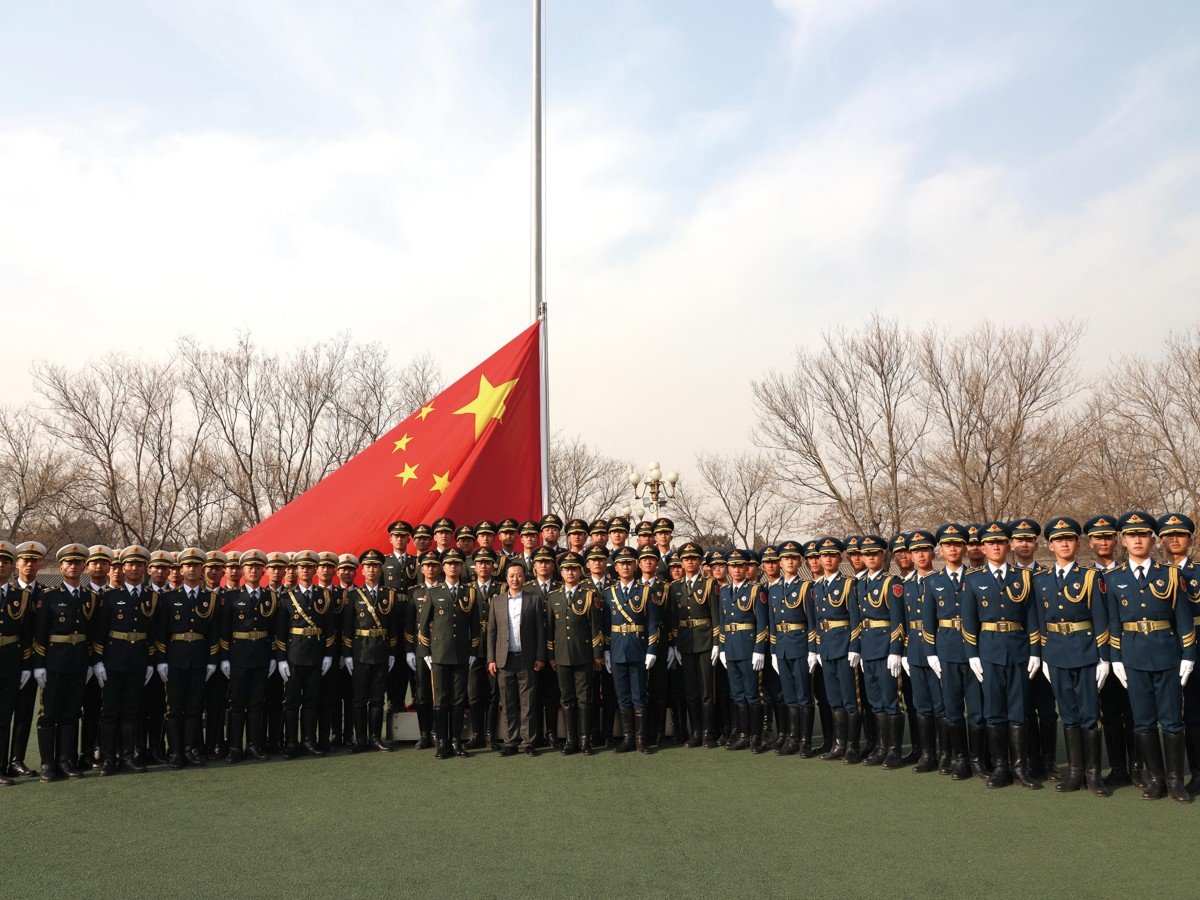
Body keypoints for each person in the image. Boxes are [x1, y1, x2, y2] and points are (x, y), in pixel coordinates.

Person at [1104, 511, 1195, 802]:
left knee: (1171, 721)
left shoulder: (1169, 574)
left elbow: (1183, 619)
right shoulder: (1113, 577)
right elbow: (1114, 623)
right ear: (1123, 540)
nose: (1138, 540)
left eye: (1143, 535)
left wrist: (1189, 654)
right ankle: (1156, 779)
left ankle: (1175, 780)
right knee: (1143, 722)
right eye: (1132, 535)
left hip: (1167, 654)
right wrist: (1116, 658)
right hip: (1133, 656)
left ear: (1153, 539)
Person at [1033, 517, 1110, 796]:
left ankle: (1093, 774)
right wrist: (1041, 655)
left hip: (1086, 651)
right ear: (1050, 545)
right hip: (1055, 653)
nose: (1064, 543)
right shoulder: (1040, 580)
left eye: (1069, 539)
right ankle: (1075, 772)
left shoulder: (1090, 577)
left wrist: (1104, 657)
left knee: (1090, 714)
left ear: (1077, 544)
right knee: (1067, 713)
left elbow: (1101, 618)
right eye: (1058, 540)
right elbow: (1040, 621)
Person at [962, 521, 1041, 790]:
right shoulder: (973, 580)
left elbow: (1032, 618)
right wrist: (972, 654)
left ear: (1008, 546)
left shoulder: (1024, 577)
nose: (996, 546)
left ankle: (1020, 767)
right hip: (989, 651)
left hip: (1018, 649)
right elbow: (968, 622)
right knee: (994, 711)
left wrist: (1035, 652)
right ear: (982, 548)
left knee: (1019, 711)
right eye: (990, 543)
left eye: (1000, 542)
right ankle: (1000, 767)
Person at [922, 523, 985, 781]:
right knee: (953, 708)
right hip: (947, 650)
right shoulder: (933, 581)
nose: (953, 549)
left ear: (964, 548)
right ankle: (961, 759)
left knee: (978, 709)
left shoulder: (977, 578)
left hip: (975, 652)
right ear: (941, 549)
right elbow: (928, 621)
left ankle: (979, 760)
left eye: (957, 544)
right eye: (948, 545)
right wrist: (931, 652)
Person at [32, 544, 98, 782]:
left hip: (78, 662)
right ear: (61, 567)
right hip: (54, 662)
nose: (73, 566)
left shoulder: (90, 597)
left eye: (78, 563)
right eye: (69, 563)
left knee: (71, 713)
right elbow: (39, 634)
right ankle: (47, 764)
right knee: (49, 714)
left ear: (83, 567)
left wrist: (92, 662)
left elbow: (92, 633)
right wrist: (39, 664)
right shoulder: (49, 596)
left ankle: (64, 761)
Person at [1085, 514, 1140, 787]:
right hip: (1099, 654)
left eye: (1108, 537)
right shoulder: (1086, 575)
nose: (1103, 542)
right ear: (1090, 542)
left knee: (1135, 710)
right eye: (1098, 537)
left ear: (1117, 540)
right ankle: (1118, 767)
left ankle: (1139, 766)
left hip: (1130, 651)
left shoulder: (1127, 572)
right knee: (1109, 711)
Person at [92, 545, 156, 775]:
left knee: (131, 711)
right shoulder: (109, 597)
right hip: (113, 660)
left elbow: (154, 633)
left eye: (139, 564)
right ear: (122, 567)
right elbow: (100, 631)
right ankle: (109, 758)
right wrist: (97, 661)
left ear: (145, 569)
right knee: (109, 711)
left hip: (138, 660)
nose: (134, 568)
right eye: (130, 564)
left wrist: (150, 661)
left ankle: (128, 756)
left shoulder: (153, 597)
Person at [157, 548, 220, 768]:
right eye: (187, 565)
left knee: (194, 707)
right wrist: (162, 660)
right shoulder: (168, 598)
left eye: (196, 565)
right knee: (174, 708)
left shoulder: (209, 599)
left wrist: (212, 660)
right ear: (180, 569)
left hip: (200, 657)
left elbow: (214, 632)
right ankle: (175, 752)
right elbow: (161, 632)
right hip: (175, 658)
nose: (191, 569)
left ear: (202, 569)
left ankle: (189, 749)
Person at [418, 549, 481, 759]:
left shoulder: (470, 592)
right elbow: (424, 626)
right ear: (442, 567)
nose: (453, 567)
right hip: (439, 655)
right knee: (441, 700)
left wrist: (473, 652)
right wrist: (426, 652)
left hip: (462, 654)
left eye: (457, 564)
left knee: (458, 700)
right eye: (449, 563)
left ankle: (456, 741)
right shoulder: (434, 592)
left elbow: (475, 625)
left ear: (461, 567)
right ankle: (442, 743)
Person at [853, 535, 906, 769]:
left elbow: (898, 620)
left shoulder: (890, 582)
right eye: (866, 554)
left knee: (891, 700)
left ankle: (894, 750)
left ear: (883, 555)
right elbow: (858, 619)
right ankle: (881, 747)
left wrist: (896, 649)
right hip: (868, 647)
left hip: (885, 647)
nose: (871, 557)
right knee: (875, 702)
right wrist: (857, 649)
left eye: (875, 553)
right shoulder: (859, 582)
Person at [602, 546, 661, 753]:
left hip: (638, 649)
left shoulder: (645, 591)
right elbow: (606, 624)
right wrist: (606, 651)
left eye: (629, 563)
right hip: (617, 649)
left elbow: (653, 622)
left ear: (635, 566)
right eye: (621, 563)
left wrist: (652, 649)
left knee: (639, 696)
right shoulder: (609, 593)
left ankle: (641, 739)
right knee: (622, 696)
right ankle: (628, 738)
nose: (625, 567)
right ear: (615, 567)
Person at [1157, 513, 1200, 793]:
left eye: (1180, 535)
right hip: (1166, 648)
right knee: (1174, 712)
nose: (1174, 539)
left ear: (1190, 539)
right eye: (1168, 535)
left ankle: (1196, 772)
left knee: (1196, 712)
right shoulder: (1158, 574)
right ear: (1160, 541)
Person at [275, 551, 334, 758]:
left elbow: (329, 628)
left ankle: (309, 740)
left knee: (312, 700)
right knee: (291, 701)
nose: (306, 571)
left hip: (316, 654)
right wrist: (281, 659)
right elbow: (280, 633)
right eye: (302, 567)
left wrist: (328, 654)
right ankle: (292, 742)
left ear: (315, 570)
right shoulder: (286, 597)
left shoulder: (324, 595)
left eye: (310, 567)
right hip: (294, 655)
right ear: (296, 570)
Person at [220, 549, 277, 763]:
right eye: (249, 567)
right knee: (237, 704)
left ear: (264, 570)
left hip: (261, 655)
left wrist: (273, 656)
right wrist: (225, 657)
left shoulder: (270, 596)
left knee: (256, 703)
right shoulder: (231, 596)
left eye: (257, 567)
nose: (253, 570)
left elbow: (274, 631)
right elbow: (224, 630)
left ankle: (254, 745)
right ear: (242, 570)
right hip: (238, 656)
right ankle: (236, 747)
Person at [545, 553, 603, 755]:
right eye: (566, 569)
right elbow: (550, 629)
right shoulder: (553, 596)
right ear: (560, 572)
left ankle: (585, 740)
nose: (570, 572)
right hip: (561, 656)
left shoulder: (589, 594)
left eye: (574, 568)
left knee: (584, 699)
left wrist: (597, 654)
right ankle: (571, 740)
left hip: (584, 655)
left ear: (580, 571)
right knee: (566, 698)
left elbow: (595, 627)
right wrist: (551, 655)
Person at [810, 537, 861, 762]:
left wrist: (854, 646)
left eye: (832, 555)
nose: (828, 559)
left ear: (840, 558)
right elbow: (817, 620)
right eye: (824, 555)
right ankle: (838, 745)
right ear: (819, 559)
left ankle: (853, 746)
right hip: (827, 648)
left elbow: (856, 619)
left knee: (851, 699)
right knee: (833, 699)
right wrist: (818, 648)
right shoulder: (817, 586)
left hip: (844, 646)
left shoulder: (849, 584)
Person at [487, 560, 545, 755]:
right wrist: (491, 659)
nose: (515, 579)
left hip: (527, 658)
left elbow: (540, 631)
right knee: (508, 702)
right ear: (506, 578)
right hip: (504, 659)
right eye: (511, 576)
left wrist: (540, 656)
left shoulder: (534, 599)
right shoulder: (497, 601)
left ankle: (529, 743)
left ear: (524, 577)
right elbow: (491, 633)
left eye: (519, 575)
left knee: (528, 703)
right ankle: (510, 742)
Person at [342, 549, 397, 753]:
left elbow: (392, 627)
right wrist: (347, 655)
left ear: (381, 569)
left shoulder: (388, 595)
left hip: (381, 651)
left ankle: (375, 737)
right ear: (362, 571)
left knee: (377, 698)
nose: (372, 570)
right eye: (368, 566)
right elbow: (347, 629)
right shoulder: (353, 595)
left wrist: (391, 652)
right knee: (359, 698)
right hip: (360, 652)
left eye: (375, 566)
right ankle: (360, 739)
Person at [901, 529, 946, 773]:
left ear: (932, 552)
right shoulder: (906, 585)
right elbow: (902, 620)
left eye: (924, 550)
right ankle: (928, 754)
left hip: (938, 648)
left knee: (942, 705)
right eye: (915, 551)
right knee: (922, 705)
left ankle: (947, 754)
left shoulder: (940, 581)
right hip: (915, 650)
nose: (920, 555)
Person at [668, 542, 721, 748]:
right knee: (691, 691)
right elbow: (673, 618)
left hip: (706, 641)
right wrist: (674, 644)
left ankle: (708, 732)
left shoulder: (709, 584)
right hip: (685, 643)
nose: (689, 561)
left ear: (700, 561)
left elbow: (716, 616)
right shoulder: (675, 587)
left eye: (694, 558)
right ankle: (696, 732)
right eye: (686, 558)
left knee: (707, 690)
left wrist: (717, 643)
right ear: (681, 562)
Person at [767, 540, 815, 756]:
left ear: (799, 562)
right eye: (786, 558)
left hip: (801, 645)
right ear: (780, 562)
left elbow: (812, 621)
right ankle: (792, 739)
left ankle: (805, 741)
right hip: (783, 648)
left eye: (794, 558)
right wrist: (774, 651)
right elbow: (772, 623)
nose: (789, 562)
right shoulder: (774, 590)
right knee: (789, 696)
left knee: (804, 695)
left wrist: (813, 649)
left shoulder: (806, 587)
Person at [719, 549, 769, 753]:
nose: (737, 569)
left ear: (746, 567)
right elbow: (723, 622)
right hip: (730, 647)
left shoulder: (756, 590)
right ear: (728, 569)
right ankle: (742, 734)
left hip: (749, 647)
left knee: (752, 694)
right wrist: (721, 647)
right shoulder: (723, 591)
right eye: (733, 566)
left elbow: (762, 623)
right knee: (737, 694)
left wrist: (759, 649)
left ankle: (756, 737)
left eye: (741, 566)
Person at [4, 541, 44, 780]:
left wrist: (31, 665)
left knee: (24, 713)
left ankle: (16, 759)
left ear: (40, 564)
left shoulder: (46, 593)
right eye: (25, 560)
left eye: (34, 560)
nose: (29, 565)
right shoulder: (8, 591)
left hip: (30, 662)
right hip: (8, 661)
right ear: (17, 564)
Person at [0, 541, 32, 787]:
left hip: (10, 662)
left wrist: (25, 665)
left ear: (12, 566)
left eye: (6, 561)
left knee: (4, 717)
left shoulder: (20, 596)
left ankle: (4, 765)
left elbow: (27, 633)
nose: (1, 565)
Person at [465, 548, 502, 749]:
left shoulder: (501, 589)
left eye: (488, 562)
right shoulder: (466, 589)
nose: (483, 566)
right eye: (480, 562)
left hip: (495, 648)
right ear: (474, 566)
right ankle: (476, 735)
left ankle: (490, 735)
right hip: (473, 648)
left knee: (492, 693)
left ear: (493, 566)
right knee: (474, 694)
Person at [529, 546, 563, 748]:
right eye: (540, 562)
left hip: (556, 649)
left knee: (552, 694)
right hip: (532, 650)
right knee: (533, 695)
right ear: (533, 566)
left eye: (547, 561)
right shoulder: (526, 589)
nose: (544, 565)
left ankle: (551, 733)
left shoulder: (560, 587)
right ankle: (535, 735)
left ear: (553, 565)